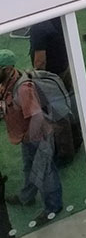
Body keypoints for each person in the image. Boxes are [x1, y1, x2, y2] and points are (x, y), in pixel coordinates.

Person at [0, 48, 61, 225]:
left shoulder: (24, 89)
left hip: (37, 137)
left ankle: (53, 207)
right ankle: (27, 196)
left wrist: (30, 136)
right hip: (26, 137)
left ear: (8, 68)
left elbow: (37, 116)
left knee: (45, 172)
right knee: (29, 167)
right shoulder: (9, 81)